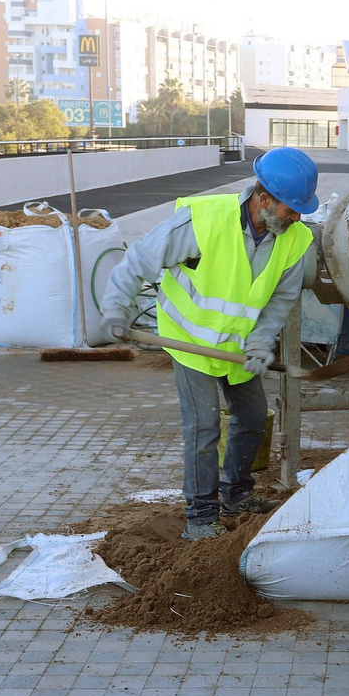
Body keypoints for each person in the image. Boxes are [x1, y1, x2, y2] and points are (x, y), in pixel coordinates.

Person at [99, 147, 319, 540]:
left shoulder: (294, 240)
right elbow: (139, 260)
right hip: (190, 340)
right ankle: (201, 518)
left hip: (235, 346)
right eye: (292, 208)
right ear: (263, 198)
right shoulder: (204, 221)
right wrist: (116, 309)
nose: (298, 217)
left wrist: (260, 343)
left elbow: (280, 301)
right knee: (203, 427)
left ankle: (236, 495)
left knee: (252, 418)